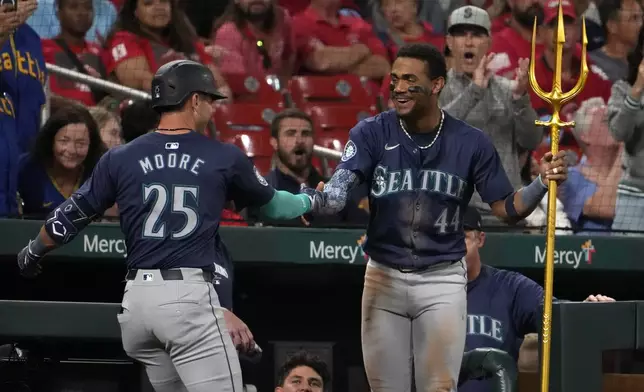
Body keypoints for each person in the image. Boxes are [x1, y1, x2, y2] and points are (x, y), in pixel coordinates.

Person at [16, 59, 317, 392]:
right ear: (193, 100)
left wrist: (32, 252)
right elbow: (274, 207)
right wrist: (309, 201)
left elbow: (68, 219)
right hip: (186, 302)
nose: (214, 108)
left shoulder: (120, 156)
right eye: (210, 99)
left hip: (137, 307)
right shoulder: (222, 155)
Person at [301, 43, 569, 392]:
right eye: (395, 79)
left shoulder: (471, 142)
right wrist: (309, 201)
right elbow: (337, 195)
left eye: (410, 80)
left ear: (437, 84)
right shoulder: (371, 132)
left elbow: (507, 209)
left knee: (440, 388)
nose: (398, 88)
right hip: (384, 276)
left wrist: (540, 183)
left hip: (442, 279)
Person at [460, 205, 614, 392]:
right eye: (446, 240)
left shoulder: (509, 287)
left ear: (480, 239)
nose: (454, 248)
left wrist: (584, 310)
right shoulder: (423, 289)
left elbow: (557, 315)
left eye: (462, 238)